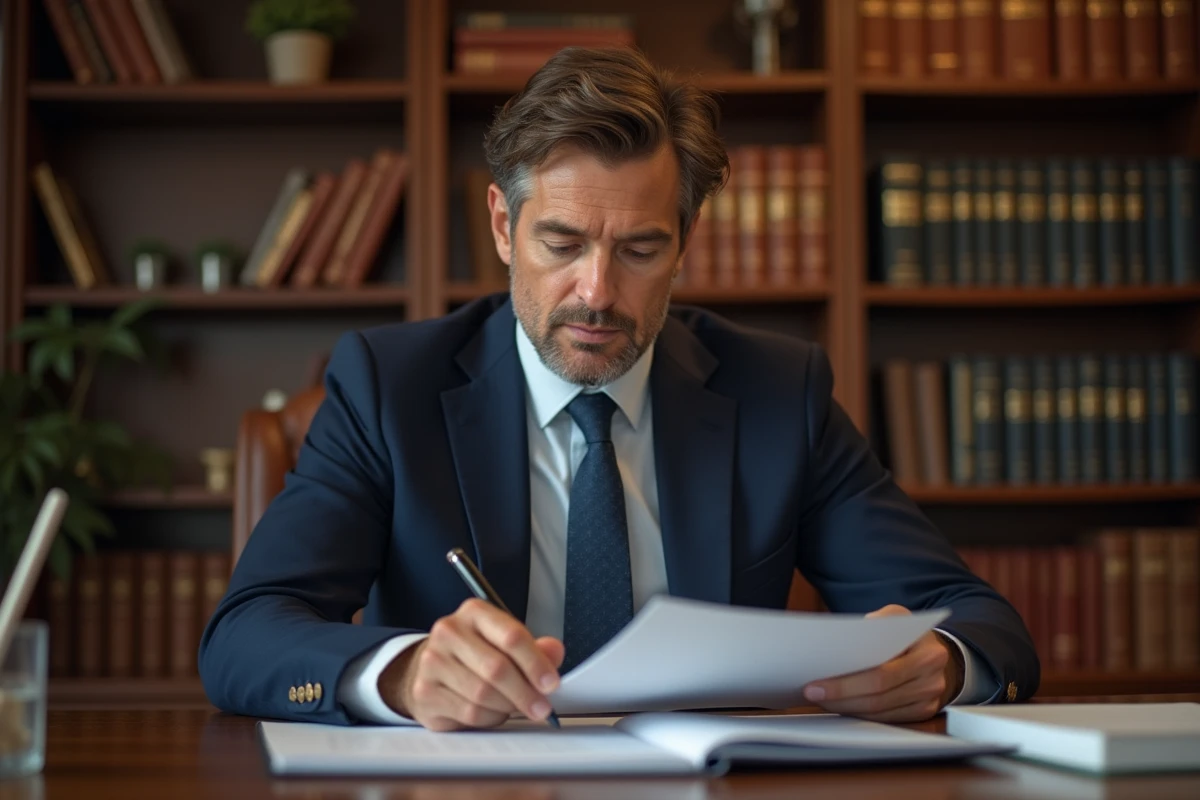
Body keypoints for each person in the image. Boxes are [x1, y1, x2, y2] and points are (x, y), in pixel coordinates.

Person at [199, 47, 1038, 732]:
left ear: (685, 241)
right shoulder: (388, 388)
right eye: (562, 244)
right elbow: (246, 632)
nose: (597, 293)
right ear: (503, 226)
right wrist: (403, 673)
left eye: (639, 250)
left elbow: (977, 619)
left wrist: (944, 663)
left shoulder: (781, 394)